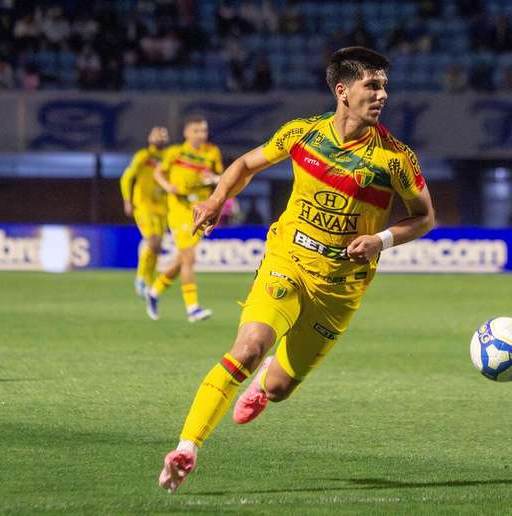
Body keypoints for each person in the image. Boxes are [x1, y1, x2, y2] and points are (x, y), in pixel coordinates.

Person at [158, 46, 435, 492]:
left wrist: (380, 239)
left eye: (385, 86)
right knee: (245, 349)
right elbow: (247, 163)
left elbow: (425, 217)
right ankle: (187, 447)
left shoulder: (395, 158)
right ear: (343, 91)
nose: (382, 94)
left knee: (282, 387)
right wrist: (214, 200)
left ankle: (268, 382)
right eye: (373, 85)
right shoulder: (302, 134)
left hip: (340, 288)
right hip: (287, 261)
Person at [147, 115, 223, 323]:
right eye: (197, 131)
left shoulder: (212, 152)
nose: (202, 134)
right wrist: (168, 186)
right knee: (189, 258)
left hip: (199, 211)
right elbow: (158, 174)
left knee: (182, 260)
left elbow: (221, 177)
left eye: (204, 131)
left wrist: (214, 179)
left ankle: (154, 291)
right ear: (187, 133)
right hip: (179, 210)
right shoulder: (175, 152)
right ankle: (193, 309)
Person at [119, 126, 169, 298]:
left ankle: (148, 280)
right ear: (149, 138)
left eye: (163, 134)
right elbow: (127, 177)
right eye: (157, 134)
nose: (160, 137)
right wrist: (127, 200)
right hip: (143, 206)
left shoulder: (168, 158)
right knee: (153, 241)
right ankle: (140, 278)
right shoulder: (143, 156)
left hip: (163, 208)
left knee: (157, 247)